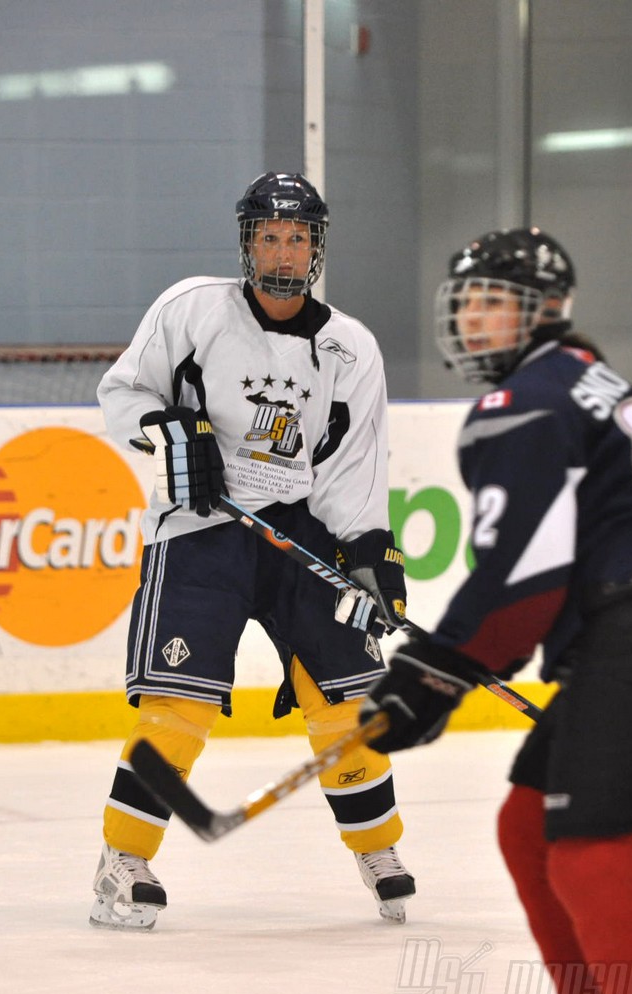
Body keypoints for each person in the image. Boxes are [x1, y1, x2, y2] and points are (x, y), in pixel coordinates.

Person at [360, 228, 632, 994]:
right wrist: (448, 667)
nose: (473, 319)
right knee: (532, 830)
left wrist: (433, 671)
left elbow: (521, 579)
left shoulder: (522, 403)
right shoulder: (577, 377)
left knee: (597, 854)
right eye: (467, 302)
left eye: (495, 302)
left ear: (548, 309)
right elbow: (545, 570)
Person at [89, 172, 415, 930]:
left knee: (345, 699)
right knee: (178, 706)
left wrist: (370, 550)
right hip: (199, 527)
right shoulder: (193, 310)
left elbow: (355, 465)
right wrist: (172, 431)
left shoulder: (350, 348)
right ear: (247, 243)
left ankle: (378, 850)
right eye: (269, 236)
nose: (283, 251)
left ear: (316, 248)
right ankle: (121, 860)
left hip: (299, 530)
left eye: (297, 237)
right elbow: (124, 393)